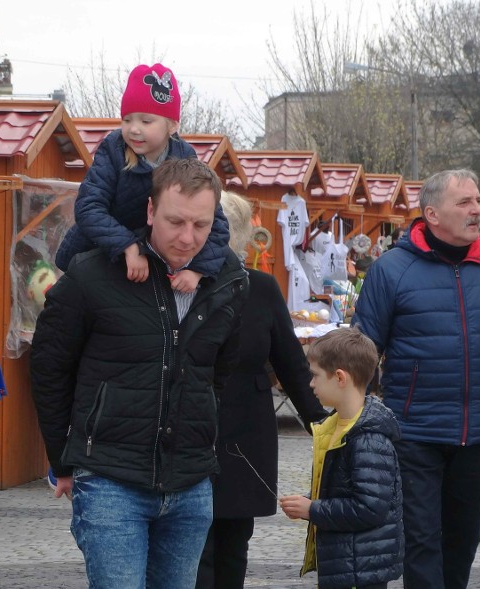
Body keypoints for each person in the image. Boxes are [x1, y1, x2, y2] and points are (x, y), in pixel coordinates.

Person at [30, 158, 249, 589]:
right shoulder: (94, 274)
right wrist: (63, 459)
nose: (187, 238)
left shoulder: (229, 279)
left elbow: (216, 374)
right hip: (111, 481)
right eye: (175, 222)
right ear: (150, 212)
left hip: (190, 483)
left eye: (201, 225)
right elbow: (49, 368)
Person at [352, 169, 480, 589]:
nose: (477, 210)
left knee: (463, 539)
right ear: (432, 214)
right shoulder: (391, 270)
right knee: (420, 541)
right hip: (413, 433)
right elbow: (361, 353)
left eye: (477, 200)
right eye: (465, 203)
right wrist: (355, 424)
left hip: (477, 434)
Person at [195, 192, 329, 589]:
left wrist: (322, 424)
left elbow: (291, 364)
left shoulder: (261, 287)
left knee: (234, 543)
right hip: (190, 430)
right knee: (194, 544)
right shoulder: (179, 283)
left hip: (245, 436)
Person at [54, 62, 229, 293]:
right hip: (98, 250)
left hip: (152, 258)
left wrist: (197, 270)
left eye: (146, 121)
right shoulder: (113, 150)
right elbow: (89, 207)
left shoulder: (184, 157)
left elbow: (214, 222)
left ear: (172, 125)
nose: (134, 129)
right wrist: (127, 245)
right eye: (127, 120)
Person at [280, 328, 403, 589]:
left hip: (360, 569)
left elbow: (370, 508)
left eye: (315, 376)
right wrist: (308, 502)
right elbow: (343, 490)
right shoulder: (337, 426)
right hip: (346, 563)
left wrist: (312, 509)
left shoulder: (368, 437)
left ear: (339, 378)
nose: (310, 384)